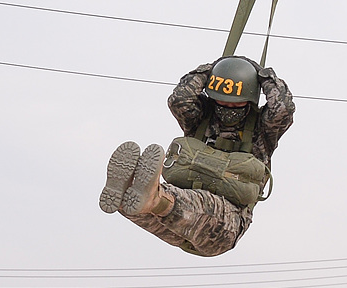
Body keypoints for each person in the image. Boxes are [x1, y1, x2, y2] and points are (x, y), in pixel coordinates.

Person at [99, 55, 295, 256]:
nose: (229, 107)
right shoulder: (200, 119)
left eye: (237, 104)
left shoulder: (262, 131)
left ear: (250, 99)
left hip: (224, 226)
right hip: (177, 223)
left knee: (193, 203)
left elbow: (284, 108)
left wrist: (263, 75)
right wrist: (210, 69)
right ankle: (129, 191)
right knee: (131, 204)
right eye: (223, 101)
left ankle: (156, 198)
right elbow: (179, 99)